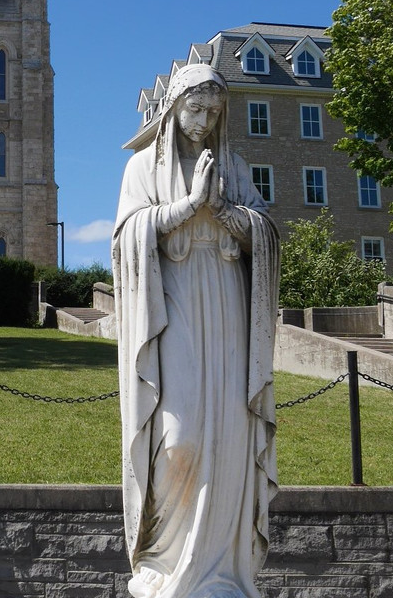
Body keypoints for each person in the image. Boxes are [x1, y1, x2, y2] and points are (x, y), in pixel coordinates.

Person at [111, 63, 279, 598]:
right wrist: (187, 206)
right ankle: (164, 565)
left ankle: (223, 573)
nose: (204, 121)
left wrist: (225, 210)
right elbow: (126, 237)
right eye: (195, 108)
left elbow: (265, 234)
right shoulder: (142, 168)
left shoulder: (235, 167)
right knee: (179, 441)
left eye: (213, 111)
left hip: (227, 304)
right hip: (174, 306)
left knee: (230, 434)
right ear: (174, 108)